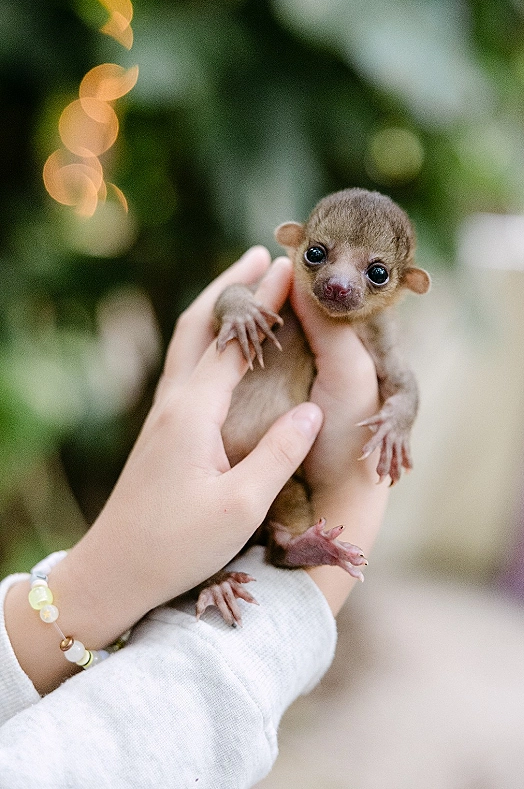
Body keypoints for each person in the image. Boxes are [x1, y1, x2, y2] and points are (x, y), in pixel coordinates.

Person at [0, 246, 389, 788]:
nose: (341, 282)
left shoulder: (372, 332)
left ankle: (280, 544)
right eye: (320, 255)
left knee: (275, 520)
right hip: (252, 495)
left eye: (372, 274)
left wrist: (92, 587)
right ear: (297, 240)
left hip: (268, 502)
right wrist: (351, 508)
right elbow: (113, 752)